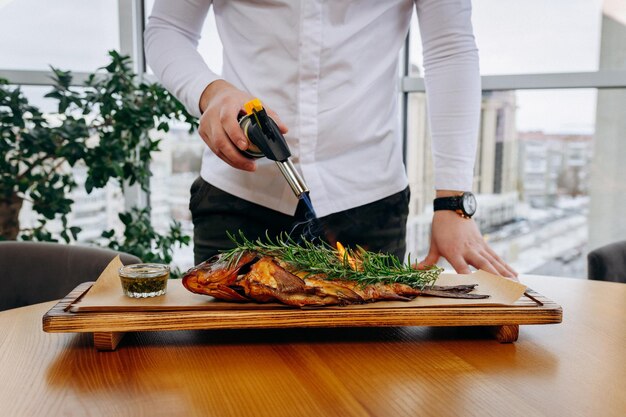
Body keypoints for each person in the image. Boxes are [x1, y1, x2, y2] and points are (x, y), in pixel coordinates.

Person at [145, 0, 517, 278]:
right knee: (226, 376)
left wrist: (453, 203)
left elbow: (449, 48)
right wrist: (210, 92)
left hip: (368, 201)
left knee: (367, 377)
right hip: (240, 194)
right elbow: (166, 28)